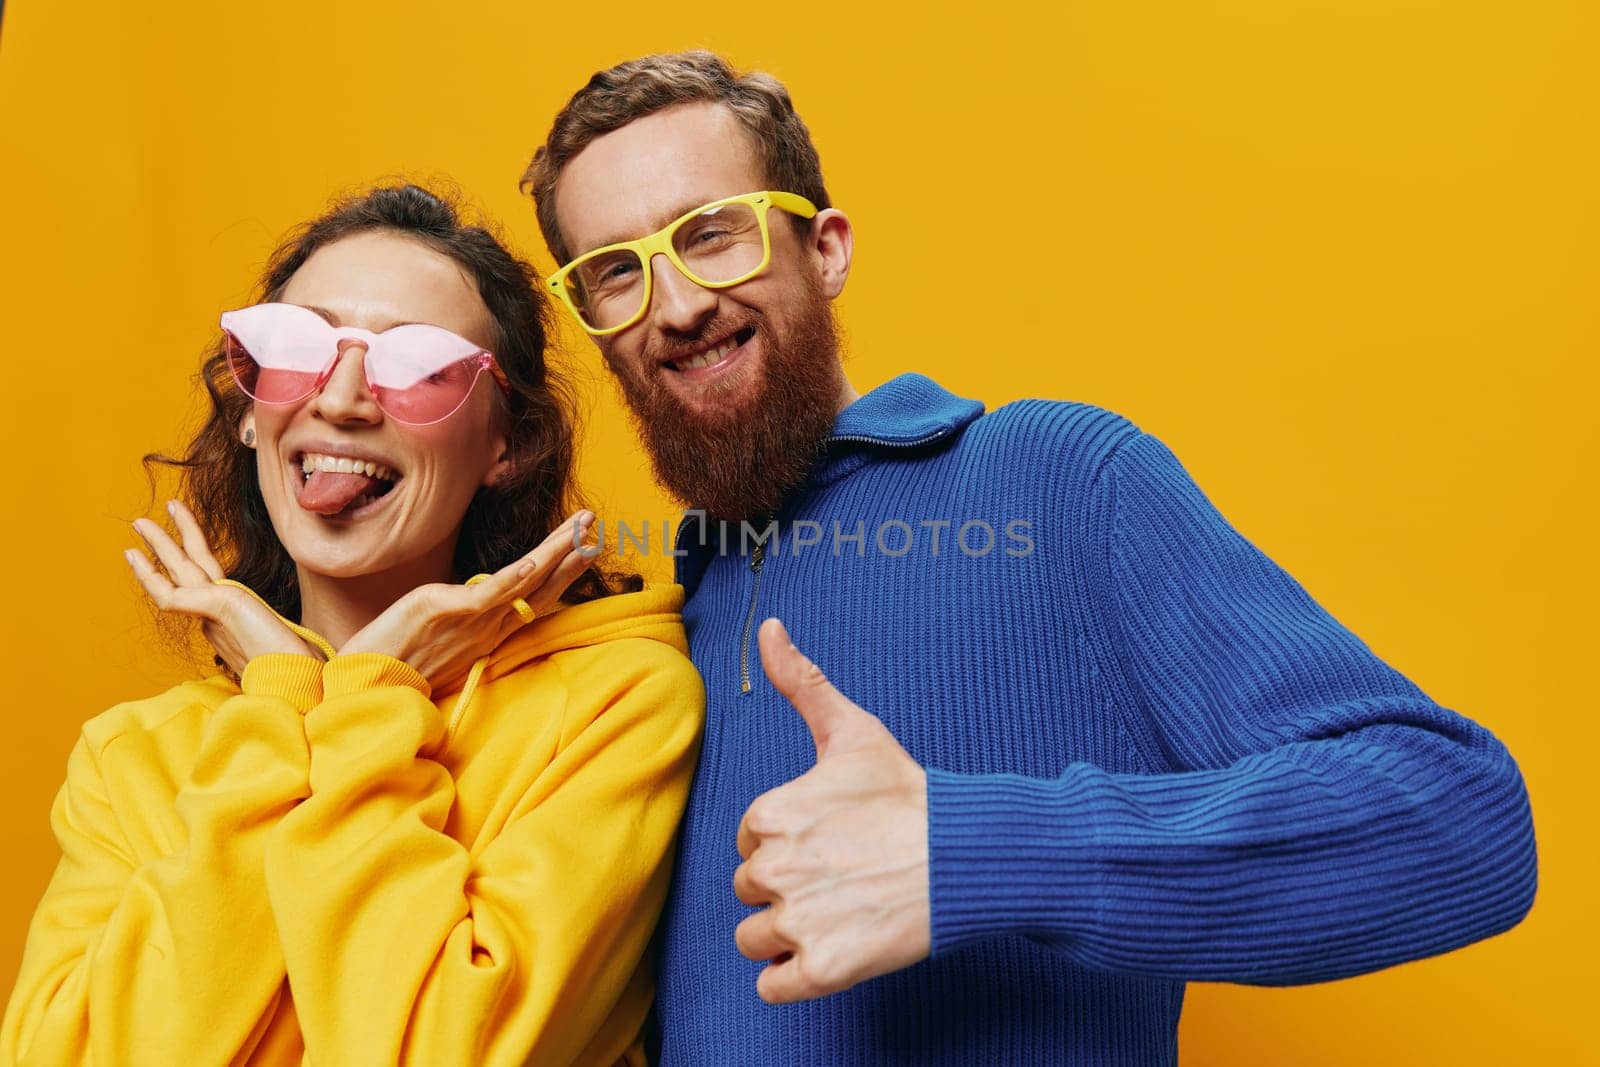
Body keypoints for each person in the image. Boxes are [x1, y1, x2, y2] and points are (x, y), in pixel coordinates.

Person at [520, 52, 1539, 1064]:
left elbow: (1464, 824)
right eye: (615, 270)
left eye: (714, 234)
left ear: (824, 249)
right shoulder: (660, 627)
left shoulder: (1057, 483)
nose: (677, 301)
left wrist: (969, 852)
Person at [0, 184, 703, 1066]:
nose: (339, 400)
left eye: (419, 368)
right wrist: (282, 709)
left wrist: (366, 702)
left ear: (507, 445)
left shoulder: (614, 701)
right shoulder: (130, 757)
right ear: (251, 413)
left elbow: (445, 1050)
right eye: (295, 349)